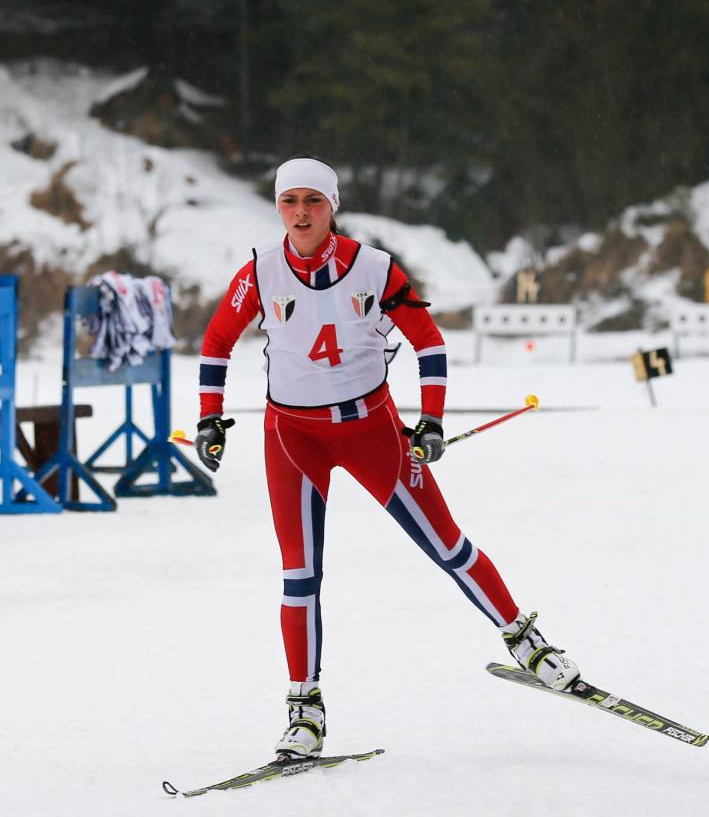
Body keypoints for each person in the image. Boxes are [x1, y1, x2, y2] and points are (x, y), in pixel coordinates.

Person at [196, 157, 580, 758]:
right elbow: (217, 341)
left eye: (314, 202)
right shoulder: (260, 272)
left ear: (333, 206)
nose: (301, 213)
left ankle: (527, 643)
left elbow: (429, 342)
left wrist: (430, 420)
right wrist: (208, 417)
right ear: (278, 207)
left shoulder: (373, 268)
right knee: (300, 576)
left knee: (447, 544)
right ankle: (305, 708)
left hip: (370, 429)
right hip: (291, 437)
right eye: (290, 201)